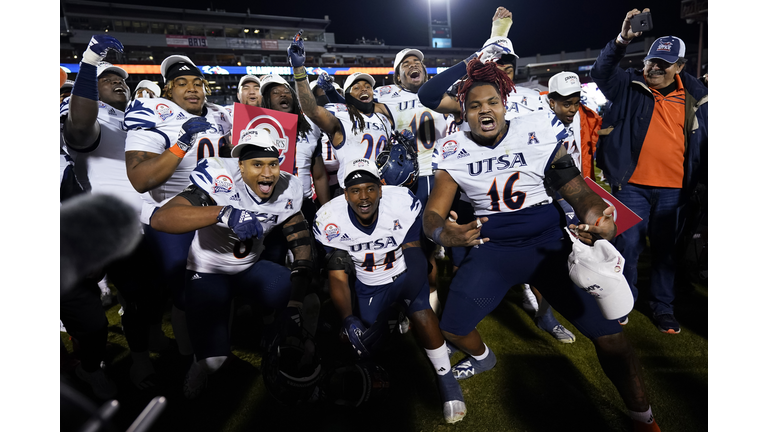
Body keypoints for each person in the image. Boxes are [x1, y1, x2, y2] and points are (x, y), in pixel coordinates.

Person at [423, 58, 661, 431]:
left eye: (492, 103)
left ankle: (643, 416)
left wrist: (600, 218)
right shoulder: (452, 148)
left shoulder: (536, 132)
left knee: (612, 337)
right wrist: (443, 233)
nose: (485, 110)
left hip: (549, 245)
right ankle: (484, 357)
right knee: (451, 328)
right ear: (463, 113)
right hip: (492, 249)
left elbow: (579, 191)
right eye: (474, 105)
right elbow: (433, 215)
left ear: (505, 105)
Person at [417, 34, 576, 344]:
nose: (502, 68)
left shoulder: (533, 98)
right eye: (495, 62)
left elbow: (555, 147)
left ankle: (545, 315)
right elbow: (430, 94)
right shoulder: (472, 97)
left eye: (507, 63)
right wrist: (473, 60)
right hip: (479, 195)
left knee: (548, 266)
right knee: (470, 267)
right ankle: (467, 323)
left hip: (532, 193)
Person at [150, 130, 315, 398]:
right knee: (213, 363)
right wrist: (222, 212)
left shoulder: (289, 186)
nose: (267, 173)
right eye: (257, 164)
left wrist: (294, 303)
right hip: (208, 271)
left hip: (250, 268)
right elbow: (162, 219)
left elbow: (302, 243)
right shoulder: (220, 177)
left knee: (306, 300)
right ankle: (198, 365)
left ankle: (290, 344)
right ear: (240, 165)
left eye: (272, 164)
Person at [313, 158, 466, 424]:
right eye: (355, 190)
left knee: (421, 311)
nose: (364, 197)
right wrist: (348, 317)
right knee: (365, 346)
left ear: (381, 188)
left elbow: (416, 256)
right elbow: (337, 275)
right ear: (344, 193)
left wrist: (401, 298)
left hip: (404, 272)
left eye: (370, 188)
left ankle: (446, 378)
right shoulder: (330, 219)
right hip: (368, 283)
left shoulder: (399, 203)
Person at [61, 34, 169, 394]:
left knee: (143, 300)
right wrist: (90, 64)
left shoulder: (138, 119)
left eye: (121, 79)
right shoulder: (84, 111)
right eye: (107, 79)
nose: (117, 82)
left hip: (134, 227)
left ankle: (138, 362)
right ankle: (89, 365)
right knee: (90, 319)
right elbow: (79, 127)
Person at [590, 8, 708, 334]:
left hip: (676, 189)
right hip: (631, 186)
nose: (655, 66)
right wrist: (622, 39)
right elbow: (601, 72)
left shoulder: (697, 95)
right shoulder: (628, 84)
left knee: (667, 253)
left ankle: (663, 308)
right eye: (652, 59)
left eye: (664, 63)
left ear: (680, 67)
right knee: (627, 246)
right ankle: (623, 301)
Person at [124, 54, 233, 358]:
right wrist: (181, 142)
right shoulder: (152, 113)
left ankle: (217, 350)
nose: (192, 88)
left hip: (213, 211)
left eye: (198, 82)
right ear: (168, 90)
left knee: (222, 286)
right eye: (182, 83)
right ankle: (192, 359)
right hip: (168, 215)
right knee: (185, 295)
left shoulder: (219, 115)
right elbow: (141, 178)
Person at [287, 34, 395, 189]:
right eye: (356, 87)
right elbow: (312, 110)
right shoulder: (341, 115)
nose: (363, 89)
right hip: (350, 189)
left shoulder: (383, 118)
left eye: (367, 86)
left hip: (382, 188)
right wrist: (299, 70)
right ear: (348, 96)